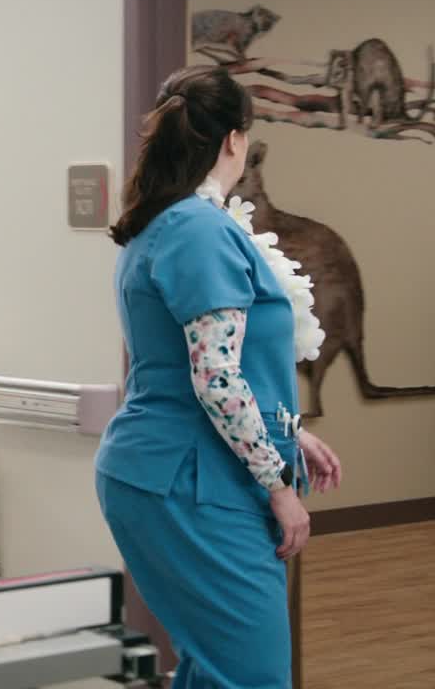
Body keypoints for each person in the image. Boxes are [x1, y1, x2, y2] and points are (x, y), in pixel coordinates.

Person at [95, 65, 343, 687]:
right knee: (251, 676)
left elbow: (203, 367)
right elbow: (216, 379)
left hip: (174, 468)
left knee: (214, 670)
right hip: (189, 480)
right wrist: (279, 486)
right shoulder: (200, 231)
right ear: (235, 139)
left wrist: (288, 432)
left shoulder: (170, 221)